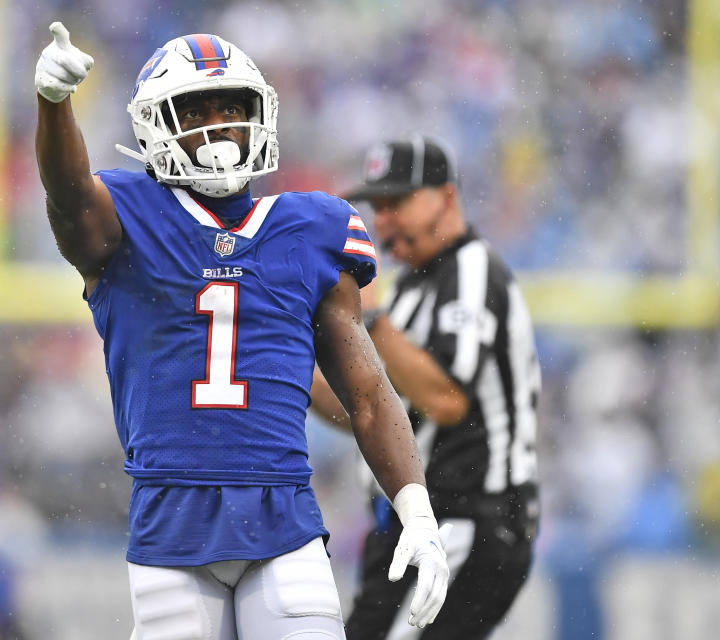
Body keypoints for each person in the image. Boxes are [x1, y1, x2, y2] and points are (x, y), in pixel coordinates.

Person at [33, 23, 450, 640]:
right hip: (171, 520)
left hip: (282, 514)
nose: (220, 126)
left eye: (232, 107)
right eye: (196, 110)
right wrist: (55, 104)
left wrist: (415, 508)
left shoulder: (312, 226)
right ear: (156, 124)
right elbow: (68, 196)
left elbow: (365, 391)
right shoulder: (125, 216)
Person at [310, 136, 541, 639]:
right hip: (417, 525)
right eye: (378, 206)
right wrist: (287, 361)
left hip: (469, 520)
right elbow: (366, 411)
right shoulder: (415, 287)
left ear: (447, 197)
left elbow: (447, 399)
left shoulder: (473, 271)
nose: (384, 220)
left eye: (397, 203)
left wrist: (365, 319)